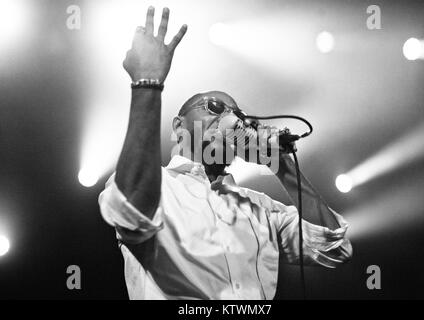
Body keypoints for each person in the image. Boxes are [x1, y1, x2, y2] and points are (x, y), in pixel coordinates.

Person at [99, 6, 352, 300]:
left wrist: (281, 164)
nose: (231, 120)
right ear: (179, 126)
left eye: (238, 116)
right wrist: (147, 83)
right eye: (215, 108)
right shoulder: (159, 188)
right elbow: (132, 214)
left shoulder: (261, 208)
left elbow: (334, 248)